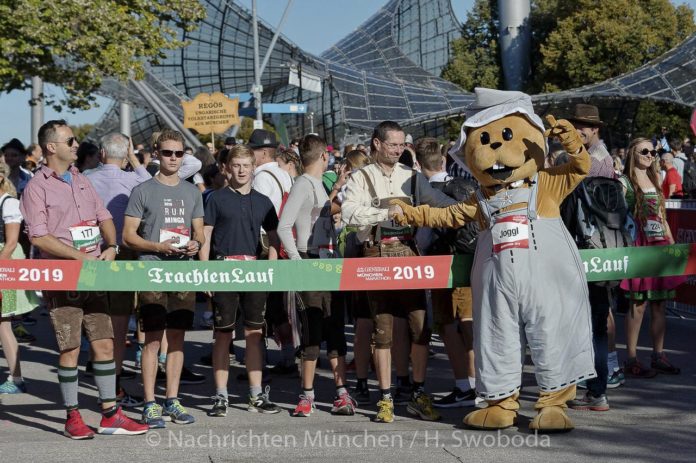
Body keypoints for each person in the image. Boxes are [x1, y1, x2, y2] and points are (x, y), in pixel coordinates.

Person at [20, 119, 148, 439]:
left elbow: (103, 216)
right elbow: (39, 236)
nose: (77, 145)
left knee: (105, 344)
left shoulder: (80, 177)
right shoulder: (37, 186)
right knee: (71, 348)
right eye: (71, 140)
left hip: (93, 272)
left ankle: (109, 414)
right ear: (52, 147)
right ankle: (72, 416)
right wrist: (82, 258)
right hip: (64, 277)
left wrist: (111, 246)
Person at [341, 120, 456, 423]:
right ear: (376, 144)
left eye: (401, 144)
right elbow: (349, 212)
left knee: (420, 327)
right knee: (383, 331)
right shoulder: (361, 177)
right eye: (392, 144)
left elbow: (442, 206)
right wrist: (386, 212)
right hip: (376, 254)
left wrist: (473, 208)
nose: (398, 150)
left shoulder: (413, 178)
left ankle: (417, 392)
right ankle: (385, 398)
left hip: (409, 253)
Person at [122, 128, 206, 428]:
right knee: (153, 341)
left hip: (182, 271)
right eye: (168, 152)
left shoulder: (190, 191)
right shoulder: (142, 190)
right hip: (152, 271)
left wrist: (196, 243)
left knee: (178, 340)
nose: (173, 158)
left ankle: (172, 399)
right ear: (156, 153)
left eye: (178, 153)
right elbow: (128, 236)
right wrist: (158, 246)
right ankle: (149, 403)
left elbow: (199, 231)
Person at [200, 144, 283, 417]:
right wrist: (205, 274)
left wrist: (269, 268)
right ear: (227, 168)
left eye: (246, 165)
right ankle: (220, 396)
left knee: (254, 335)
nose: (241, 170)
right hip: (223, 268)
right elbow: (206, 237)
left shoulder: (263, 201)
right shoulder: (215, 198)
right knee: (223, 335)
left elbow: (274, 239)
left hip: (254, 271)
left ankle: (256, 395)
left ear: (253, 167)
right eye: (236, 165)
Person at [278, 135, 356, 417]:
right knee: (312, 330)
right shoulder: (302, 183)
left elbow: (316, 214)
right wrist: (298, 262)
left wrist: (336, 189)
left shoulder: (316, 185)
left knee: (335, 327)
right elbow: (284, 226)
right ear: (324, 156)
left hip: (328, 261)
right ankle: (307, 394)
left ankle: (342, 392)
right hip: (310, 259)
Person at [86, 132, 153, 408]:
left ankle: (101, 373)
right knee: (119, 321)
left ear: (101, 153)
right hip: (124, 252)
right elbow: (153, 186)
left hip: (90, 252)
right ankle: (112, 387)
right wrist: (135, 161)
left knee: (93, 317)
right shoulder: (134, 180)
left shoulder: (86, 178)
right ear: (124, 154)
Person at [412, 138, 479, 408]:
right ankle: (480, 385)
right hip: (471, 260)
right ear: (443, 160)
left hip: (443, 265)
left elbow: (424, 238)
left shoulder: (429, 193)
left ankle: (465, 386)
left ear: (418, 164)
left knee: (450, 326)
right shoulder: (465, 186)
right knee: (470, 324)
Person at [619, 139, 685, 377]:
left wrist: (672, 246)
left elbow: (662, 216)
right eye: (644, 151)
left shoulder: (656, 180)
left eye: (653, 151)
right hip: (640, 246)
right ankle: (632, 359)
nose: (650, 155)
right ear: (632, 154)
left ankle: (658, 355)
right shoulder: (624, 183)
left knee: (660, 304)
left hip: (659, 246)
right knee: (638, 305)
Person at [249, 129, 296, 375]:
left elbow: (259, 216)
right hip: (283, 241)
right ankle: (288, 354)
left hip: (266, 241)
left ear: (264, 151)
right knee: (279, 302)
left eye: (253, 150)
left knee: (265, 305)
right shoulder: (284, 174)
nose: (250, 154)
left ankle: (266, 359)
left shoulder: (260, 177)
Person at [0, 159, 34, 395]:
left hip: (6, 265)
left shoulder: (9, 203)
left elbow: (11, 243)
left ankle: (16, 377)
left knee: (4, 322)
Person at [566, 104, 614, 178]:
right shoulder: (583, 152)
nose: (576, 132)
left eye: (581, 127)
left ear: (595, 129)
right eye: (574, 127)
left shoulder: (598, 159)